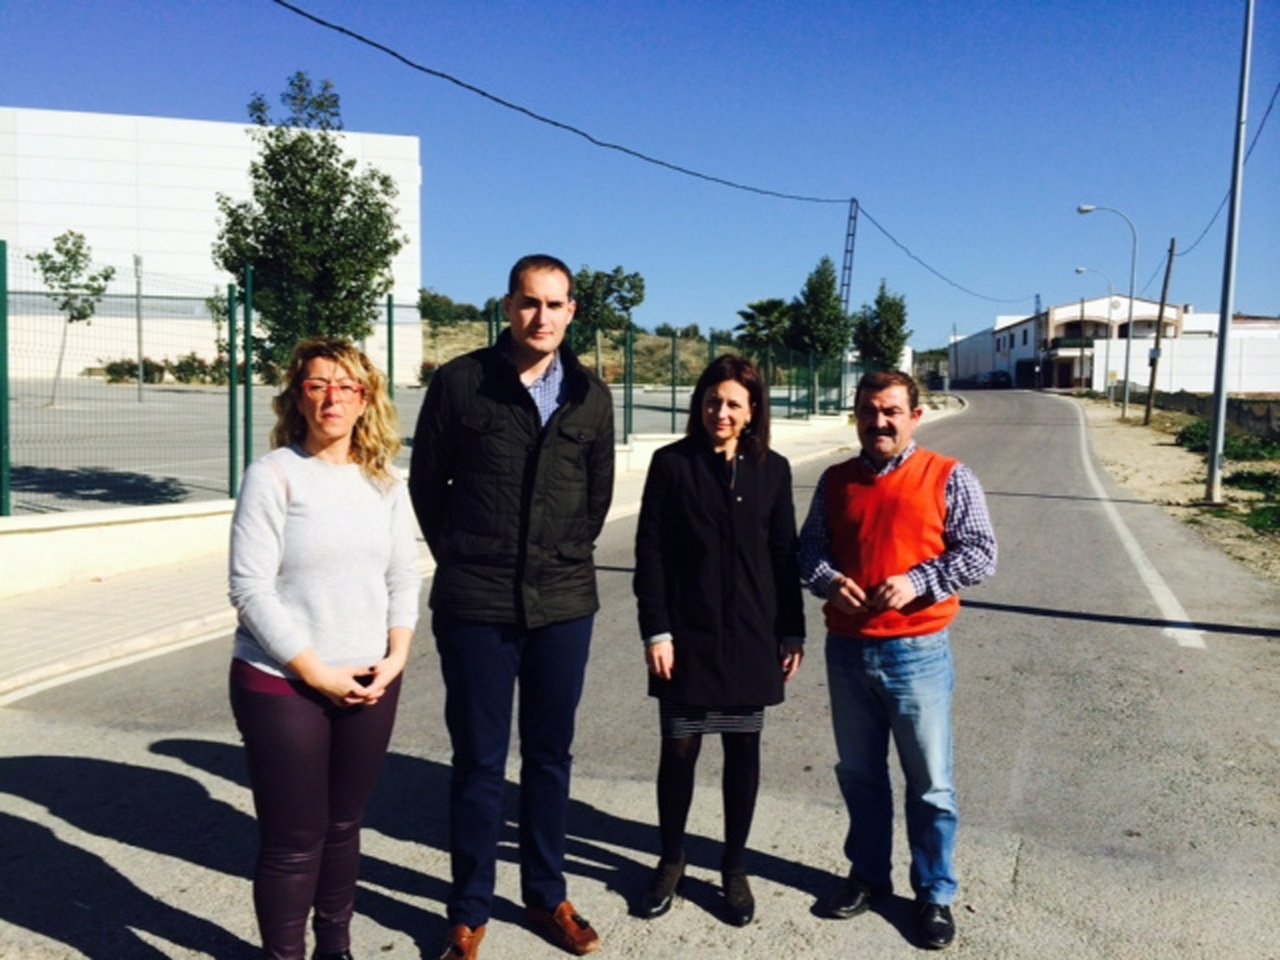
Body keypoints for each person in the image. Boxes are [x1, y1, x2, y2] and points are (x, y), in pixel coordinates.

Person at [410, 254, 614, 960]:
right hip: (477, 603)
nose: (542, 317)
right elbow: (427, 487)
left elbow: (596, 500)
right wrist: (468, 557)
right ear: (507, 305)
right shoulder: (461, 383)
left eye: (555, 305)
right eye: (530, 303)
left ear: (572, 313)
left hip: (563, 603)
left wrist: (554, 558)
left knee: (551, 757)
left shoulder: (590, 394)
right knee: (478, 761)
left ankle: (547, 895)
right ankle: (467, 909)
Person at [228, 337, 421, 960]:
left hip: (369, 680)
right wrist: (315, 673)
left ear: (367, 400)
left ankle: (335, 948)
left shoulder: (387, 485)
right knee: (294, 839)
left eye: (347, 385)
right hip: (283, 683)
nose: (333, 397)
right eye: (318, 384)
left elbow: (403, 577)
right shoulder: (274, 475)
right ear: (299, 396)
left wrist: (395, 657)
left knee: (342, 830)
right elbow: (250, 589)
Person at [798, 369, 996, 950]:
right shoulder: (835, 481)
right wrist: (829, 579)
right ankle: (868, 876)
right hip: (848, 651)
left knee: (931, 785)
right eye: (868, 410)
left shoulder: (949, 477)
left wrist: (921, 581)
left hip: (918, 654)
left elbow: (981, 553)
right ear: (856, 415)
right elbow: (809, 549)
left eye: (890, 411)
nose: (878, 421)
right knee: (859, 775)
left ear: (915, 415)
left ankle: (934, 893)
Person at [632, 355, 805, 927]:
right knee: (679, 749)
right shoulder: (671, 465)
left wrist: (792, 629)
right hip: (686, 636)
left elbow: (785, 556)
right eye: (712, 401)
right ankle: (671, 860)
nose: (721, 413)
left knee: (742, 750)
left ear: (753, 410)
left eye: (733, 403)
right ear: (698, 405)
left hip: (753, 636)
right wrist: (657, 629)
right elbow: (650, 555)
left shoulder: (773, 470)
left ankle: (734, 869)